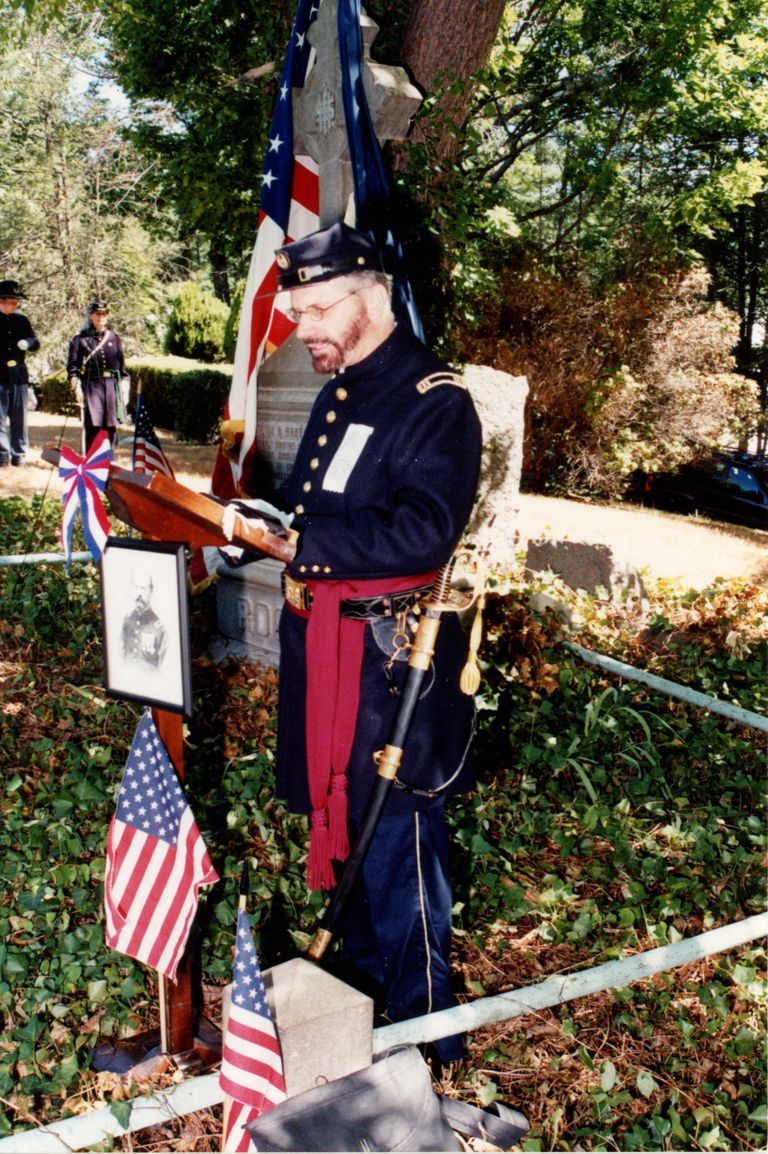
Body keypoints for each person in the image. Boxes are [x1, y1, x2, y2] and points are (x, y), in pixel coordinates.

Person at [225, 222, 482, 1063]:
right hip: (326, 648)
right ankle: (364, 1001)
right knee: (345, 830)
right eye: (296, 313)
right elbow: (315, 508)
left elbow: (423, 530)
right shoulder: (344, 391)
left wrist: (302, 546)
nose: (304, 331)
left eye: (316, 311)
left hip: (387, 662)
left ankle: (425, 1033)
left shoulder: (432, 400)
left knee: (397, 847)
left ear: (372, 295)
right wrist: (254, 527)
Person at [67, 299, 129, 451]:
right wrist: (77, 388)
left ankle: (109, 461)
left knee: (111, 427)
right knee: (93, 425)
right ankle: (92, 463)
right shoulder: (80, 339)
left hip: (111, 387)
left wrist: (125, 387)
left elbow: (122, 369)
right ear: (91, 316)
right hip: (92, 385)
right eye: (98, 314)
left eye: (104, 314)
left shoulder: (114, 338)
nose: (101, 317)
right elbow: (73, 367)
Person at [0, 279, 40, 468]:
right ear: (1, 300)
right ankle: (2, 457)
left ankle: (19, 456)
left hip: (18, 376)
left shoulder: (21, 320)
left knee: (19, 419)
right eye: (12, 301)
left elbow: (35, 340)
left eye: (17, 301)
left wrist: (28, 343)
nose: (15, 304)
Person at [121, 573, 168, 672]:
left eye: (143, 588)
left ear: (151, 592)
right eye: (136, 587)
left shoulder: (159, 627)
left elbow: (163, 666)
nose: (139, 593)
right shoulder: (126, 620)